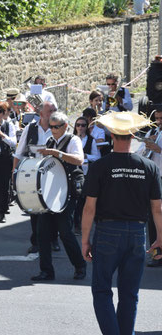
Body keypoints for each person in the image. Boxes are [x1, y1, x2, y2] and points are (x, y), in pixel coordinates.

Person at [81, 111, 162, 335]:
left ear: (111, 135)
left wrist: (85, 240)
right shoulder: (149, 167)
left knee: (102, 290)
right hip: (137, 233)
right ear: (133, 135)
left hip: (108, 232)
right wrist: (161, 238)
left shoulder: (100, 166)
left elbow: (89, 208)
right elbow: (158, 208)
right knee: (129, 293)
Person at [30, 112, 87, 281]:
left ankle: (80, 266)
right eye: (51, 126)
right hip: (51, 190)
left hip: (68, 191)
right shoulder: (49, 141)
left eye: (56, 126)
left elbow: (79, 160)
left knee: (65, 232)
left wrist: (57, 153)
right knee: (42, 232)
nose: (53, 129)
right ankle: (46, 271)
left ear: (65, 126)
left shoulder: (73, 140)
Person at [13, 101, 58, 254]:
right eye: (50, 110)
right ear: (41, 113)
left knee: (52, 208)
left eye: (54, 110)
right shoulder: (30, 128)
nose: (53, 113)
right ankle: (36, 241)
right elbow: (19, 153)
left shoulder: (58, 128)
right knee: (34, 207)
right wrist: (14, 175)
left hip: (53, 171)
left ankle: (53, 239)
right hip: (33, 173)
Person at [135, 109, 162, 267]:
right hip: (154, 179)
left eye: (161, 118)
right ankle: (156, 255)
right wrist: (146, 144)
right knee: (153, 220)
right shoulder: (152, 132)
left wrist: (158, 149)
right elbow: (139, 155)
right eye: (157, 118)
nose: (159, 121)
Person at [73, 116, 101, 233]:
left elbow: (97, 157)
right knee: (74, 198)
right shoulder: (72, 139)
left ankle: (80, 223)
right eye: (78, 125)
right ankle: (75, 222)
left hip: (85, 172)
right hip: (74, 171)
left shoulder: (91, 140)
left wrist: (87, 156)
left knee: (83, 199)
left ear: (87, 127)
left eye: (83, 125)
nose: (80, 127)